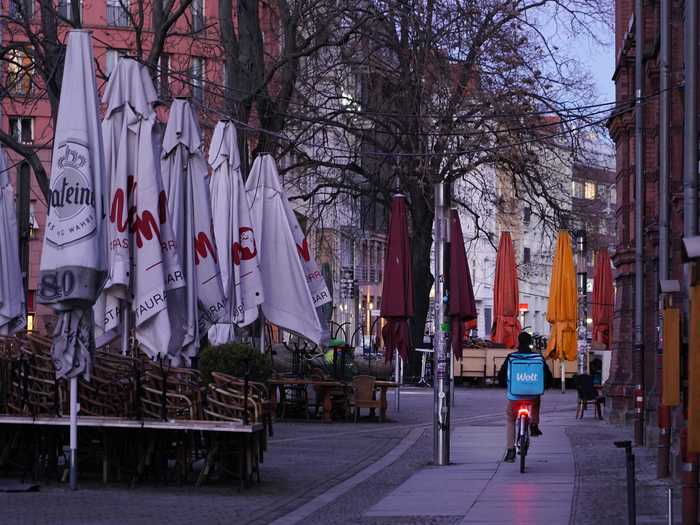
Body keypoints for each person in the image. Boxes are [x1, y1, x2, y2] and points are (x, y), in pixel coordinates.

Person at [498, 331, 553, 462]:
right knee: (537, 401)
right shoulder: (538, 357)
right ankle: (534, 425)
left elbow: (501, 375)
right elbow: (548, 375)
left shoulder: (511, 357)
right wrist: (547, 385)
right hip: (533, 395)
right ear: (530, 343)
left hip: (515, 395)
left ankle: (510, 450)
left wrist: (502, 383)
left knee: (511, 419)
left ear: (518, 342)